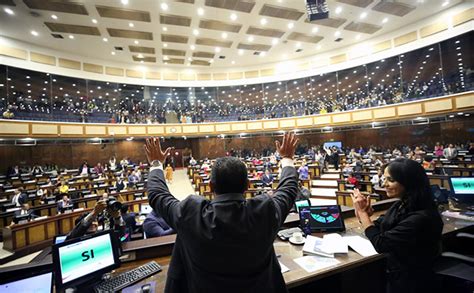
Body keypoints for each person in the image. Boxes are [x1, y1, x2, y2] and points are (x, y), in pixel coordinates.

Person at [144, 132, 298, 292]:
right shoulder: (264, 212)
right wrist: (287, 158)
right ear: (247, 185)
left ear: (210, 186)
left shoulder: (191, 215)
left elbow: (157, 194)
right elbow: (289, 188)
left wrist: (156, 163)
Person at [351, 158, 443, 293]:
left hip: (413, 282)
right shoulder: (402, 204)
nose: (384, 184)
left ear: (409, 182)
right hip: (399, 274)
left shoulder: (422, 217)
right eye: (384, 179)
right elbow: (378, 225)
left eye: (391, 180)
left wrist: (363, 214)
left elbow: (381, 244)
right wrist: (363, 215)